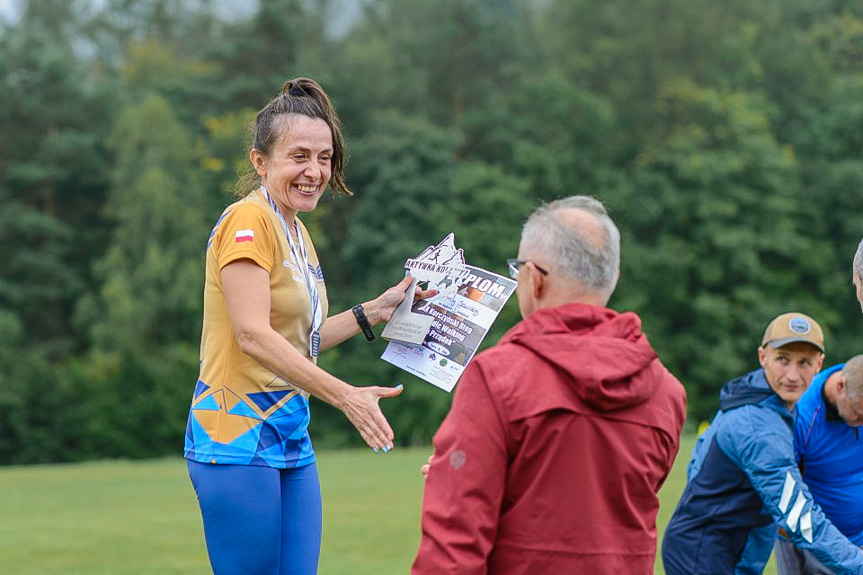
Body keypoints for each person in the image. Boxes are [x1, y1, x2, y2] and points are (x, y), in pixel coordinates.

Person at [183, 77, 428, 575]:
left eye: (325, 157)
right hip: (235, 437)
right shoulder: (247, 222)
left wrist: (372, 312)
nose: (315, 171)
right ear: (260, 161)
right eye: (300, 156)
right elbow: (252, 336)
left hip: (291, 435)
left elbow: (301, 340)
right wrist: (346, 395)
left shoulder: (294, 229)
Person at [411, 196, 687, 574]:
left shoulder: (498, 377)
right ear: (613, 278)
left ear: (534, 278)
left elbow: (455, 541)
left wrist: (458, 480)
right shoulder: (665, 390)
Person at [662, 313, 863, 574]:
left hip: (729, 549)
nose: (792, 375)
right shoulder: (758, 428)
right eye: (783, 360)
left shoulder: (761, 399)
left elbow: (700, 451)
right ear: (762, 357)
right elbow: (799, 518)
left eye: (804, 363)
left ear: (819, 365)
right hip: (705, 555)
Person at [773, 354, 863, 574]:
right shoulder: (801, 413)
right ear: (841, 386)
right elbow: (784, 491)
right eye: (859, 415)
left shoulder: (857, 391)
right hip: (813, 543)